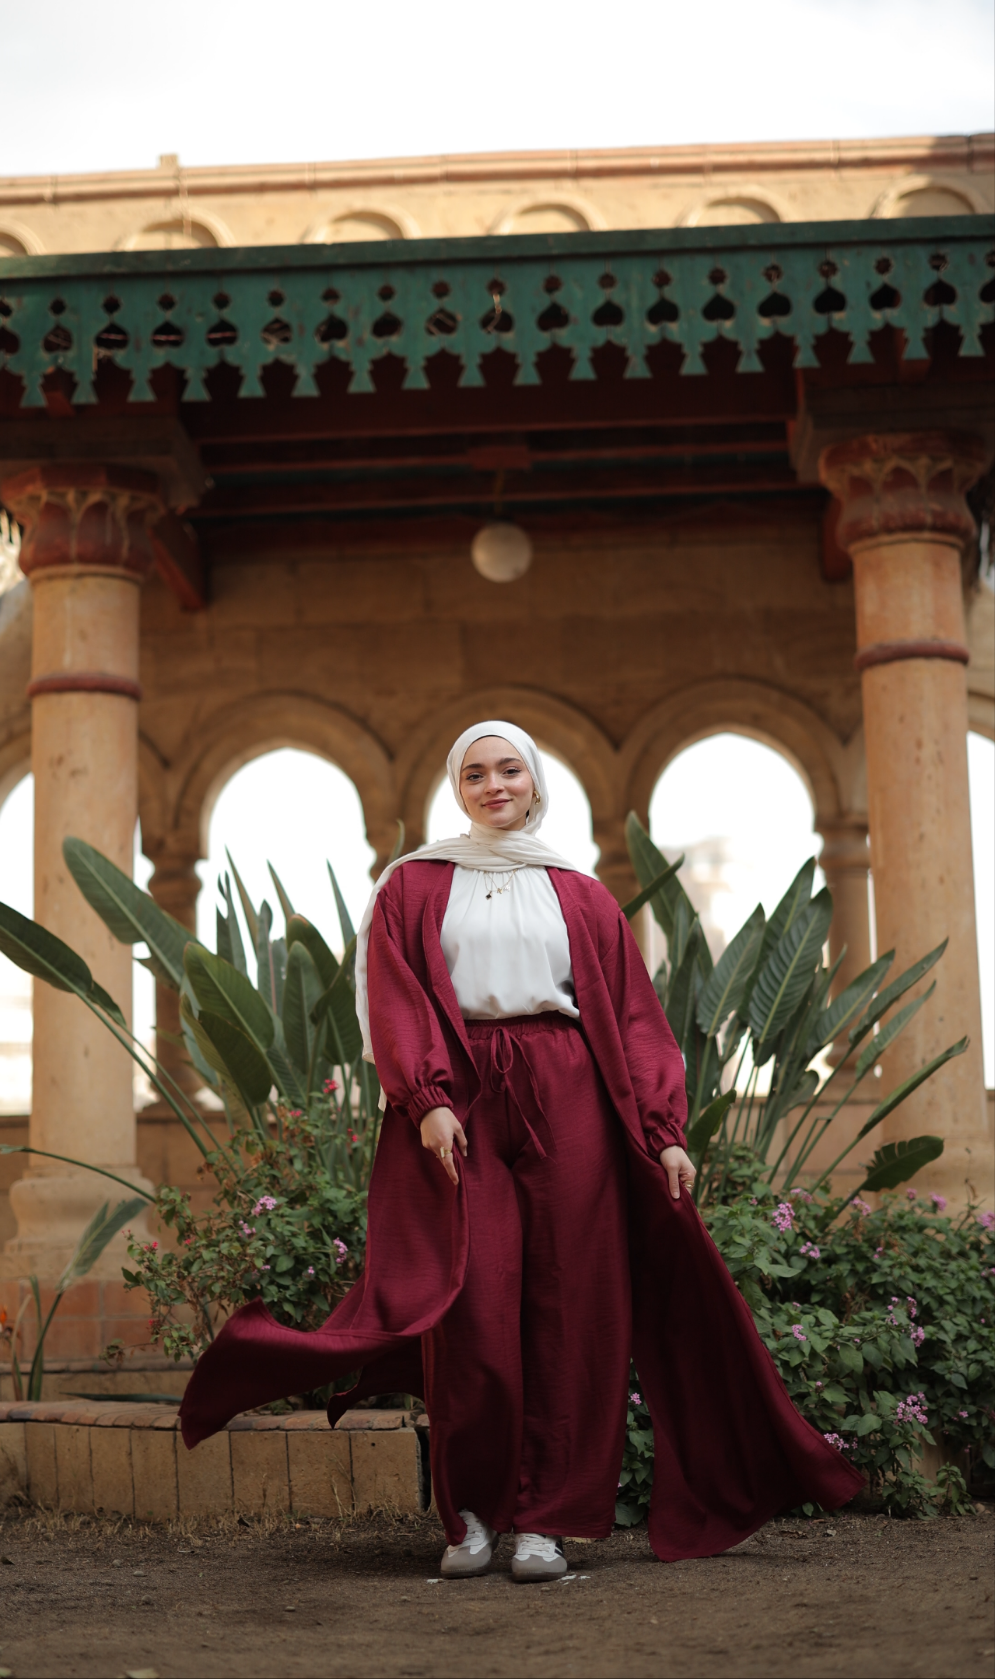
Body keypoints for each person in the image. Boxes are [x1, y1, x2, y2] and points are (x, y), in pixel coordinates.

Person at [178, 720, 862, 1580]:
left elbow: (636, 1017)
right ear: (455, 787)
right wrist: (424, 1099)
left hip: (567, 1090)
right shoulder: (415, 883)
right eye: (475, 772)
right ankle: (471, 1513)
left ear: (535, 783)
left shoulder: (580, 893)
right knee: (471, 1304)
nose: (493, 784)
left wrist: (665, 1133)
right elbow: (393, 994)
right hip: (460, 1098)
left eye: (508, 770)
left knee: (573, 1306)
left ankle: (546, 1520)